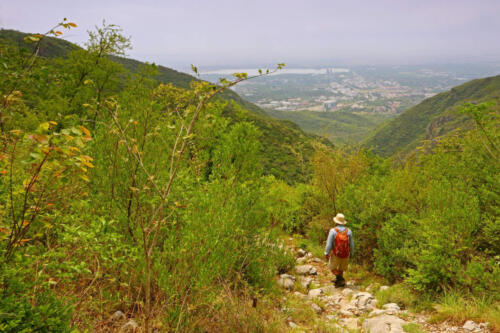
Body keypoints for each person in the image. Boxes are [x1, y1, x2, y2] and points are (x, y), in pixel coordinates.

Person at [324, 213, 354, 287]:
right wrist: (352, 253)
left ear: (336, 221)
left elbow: (329, 244)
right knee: (341, 269)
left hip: (336, 254)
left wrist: (326, 252)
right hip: (346, 254)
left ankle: (340, 279)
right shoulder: (349, 231)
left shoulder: (333, 231)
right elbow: (352, 244)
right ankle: (339, 281)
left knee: (332, 268)